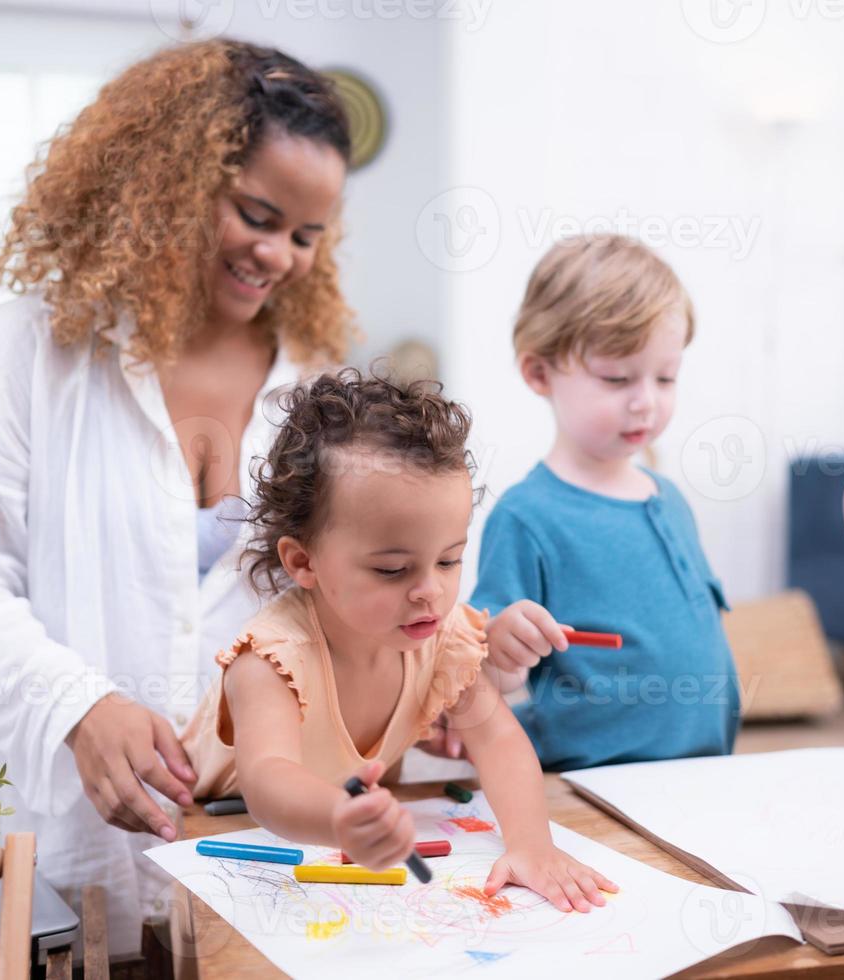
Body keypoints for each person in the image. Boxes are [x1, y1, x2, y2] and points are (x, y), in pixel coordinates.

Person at [0, 39, 354, 956]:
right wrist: (77, 707)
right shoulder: (22, 354)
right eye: (256, 214)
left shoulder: (319, 392)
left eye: (305, 235)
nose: (277, 255)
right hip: (58, 880)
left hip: (258, 877)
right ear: (167, 181)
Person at [181, 370, 619, 912]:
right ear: (303, 561)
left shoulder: (443, 641)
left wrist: (533, 846)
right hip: (219, 838)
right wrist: (339, 818)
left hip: (337, 851)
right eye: (393, 570)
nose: (430, 592)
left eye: (449, 559)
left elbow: (500, 743)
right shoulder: (271, 658)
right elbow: (269, 781)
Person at [464, 234, 741, 771]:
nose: (647, 402)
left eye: (666, 377)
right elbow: (483, 680)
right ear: (539, 372)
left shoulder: (672, 500)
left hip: (703, 772)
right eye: (617, 377)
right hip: (587, 782)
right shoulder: (527, 517)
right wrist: (500, 651)